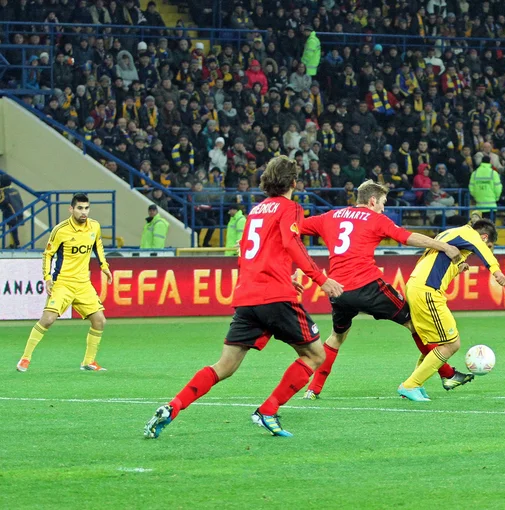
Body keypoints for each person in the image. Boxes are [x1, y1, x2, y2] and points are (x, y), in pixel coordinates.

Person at [144, 156, 344, 439]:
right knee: (315, 355)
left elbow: (247, 253)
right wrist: (321, 280)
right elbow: (291, 243)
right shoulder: (291, 208)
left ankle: (173, 406)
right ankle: (268, 410)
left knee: (224, 366)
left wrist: (283, 277)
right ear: (294, 183)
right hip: (274, 297)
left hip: (248, 297)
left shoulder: (255, 212)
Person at [299, 180, 472, 400]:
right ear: (372, 201)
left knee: (336, 336)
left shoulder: (330, 216)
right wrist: (444, 246)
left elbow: (294, 227)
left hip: (338, 291)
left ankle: (313, 390)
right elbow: (408, 238)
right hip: (368, 287)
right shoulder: (375, 218)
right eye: (383, 203)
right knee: (413, 322)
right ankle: (446, 374)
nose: (383, 208)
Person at [398, 219, 505, 401]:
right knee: (451, 344)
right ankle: (411, 385)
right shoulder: (471, 235)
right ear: (484, 237)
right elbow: (483, 253)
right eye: (488, 245)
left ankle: (415, 384)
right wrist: (496, 271)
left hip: (416, 286)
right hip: (428, 290)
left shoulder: (450, 233)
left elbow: (433, 260)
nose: (485, 248)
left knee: (434, 343)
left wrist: (457, 266)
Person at [16, 194, 113, 372]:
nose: (84, 212)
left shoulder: (94, 226)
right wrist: (47, 278)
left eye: (86, 208)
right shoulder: (61, 230)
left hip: (83, 284)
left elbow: (97, 245)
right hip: (63, 283)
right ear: (71, 209)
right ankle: (25, 358)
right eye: (80, 208)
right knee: (48, 319)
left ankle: (88, 362)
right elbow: (48, 254)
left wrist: (104, 266)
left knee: (99, 320)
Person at [0, 174, 24, 248]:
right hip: (19, 211)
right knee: (13, 228)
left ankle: (15, 244)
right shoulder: (14, 190)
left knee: (12, 229)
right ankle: (14, 243)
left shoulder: (4, 191)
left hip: (11, 213)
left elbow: (3, 200)